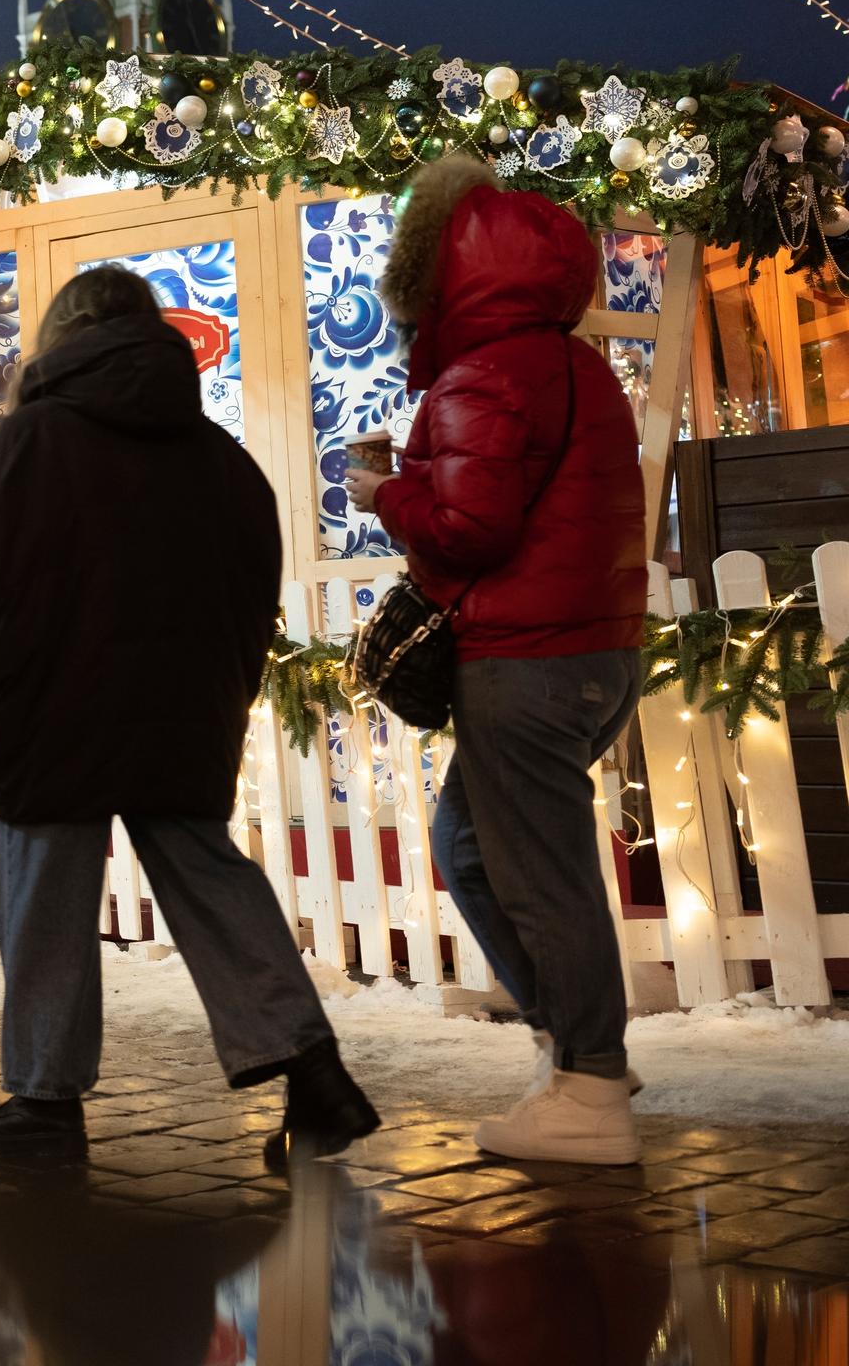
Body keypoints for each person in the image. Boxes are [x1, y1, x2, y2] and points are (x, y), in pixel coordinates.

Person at [0, 265, 380, 1166]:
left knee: (43, 888)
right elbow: (254, 595)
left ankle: (45, 1104)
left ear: (63, 337)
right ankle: (314, 1072)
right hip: (182, 709)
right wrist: (227, 691)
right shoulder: (223, 460)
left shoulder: (26, 441)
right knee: (210, 878)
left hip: (53, 703)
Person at [352, 152, 648, 1165]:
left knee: (539, 874)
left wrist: (384, 491)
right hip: (593, 646)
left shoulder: (485, 372)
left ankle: (591, 1086)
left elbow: (468, 527)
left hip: (524, 660)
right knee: (473, 849)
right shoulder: (573, 363)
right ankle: (572, 1050)